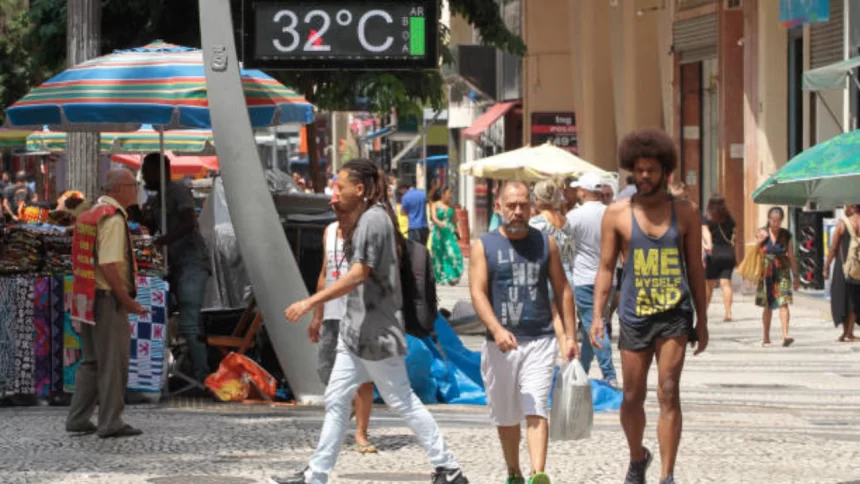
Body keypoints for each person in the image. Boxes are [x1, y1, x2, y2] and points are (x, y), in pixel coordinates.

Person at [277, 159, 469, 484]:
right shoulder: (369, 218)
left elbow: (358, 274)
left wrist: (310, 302)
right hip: (356, 332)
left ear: (361, 189)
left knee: (402, 401)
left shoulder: (373, 221)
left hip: (376, 334)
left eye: (340, 187)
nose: (334, 194)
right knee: (337, 400)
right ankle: (316, 474)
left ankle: (448, 468)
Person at [591, 128, 708, 484]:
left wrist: (702, 321)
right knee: (631, 396)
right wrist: (598, 316)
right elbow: (607, 268)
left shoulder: (685, 212)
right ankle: (637, 456)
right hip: (634, 314)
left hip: (674, 314)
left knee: (669, 390)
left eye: (652, 170)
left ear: (665, 172)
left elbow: (695, 269)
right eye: (639, 169)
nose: (644, 176)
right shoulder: (617, 214)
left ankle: (667, 474)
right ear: (631, 170)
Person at [470, 181, 579, 484]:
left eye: (523, 205)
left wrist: (569, 336)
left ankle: (537, 474)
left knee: (536, 406)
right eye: (511, 205)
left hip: (540, 339)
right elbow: (478, 293)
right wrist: (496, 329)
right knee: (505, 416)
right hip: (500, 345)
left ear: (531, 207)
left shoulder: (546, 243)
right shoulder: (485, 245)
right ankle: (514, 472)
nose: (518, 212)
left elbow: (563, 290)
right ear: (499, 208)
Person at [66, 168, 147, 438]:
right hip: (106, 298)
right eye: (134, 185)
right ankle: (111, 421)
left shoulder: (91, 212)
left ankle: (78, 418)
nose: (137, 189)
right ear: (119, 189)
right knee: (113, 362)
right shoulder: (113, 219)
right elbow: (109, 264)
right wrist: (127, 300)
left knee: (92, 361)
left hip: (87, 296)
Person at [308, 198, 377, 455]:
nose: (337, 211)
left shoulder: (364, 233)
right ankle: (346, 411)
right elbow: (325, 275)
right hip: (332, 313)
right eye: (334, 208)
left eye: (342, 207)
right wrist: (318, 315)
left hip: (359, 314)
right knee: (325, 368)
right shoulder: (328, 232)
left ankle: (361, 432)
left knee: (363, 377)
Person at [141, 153, 211, 383]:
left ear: (159, 171)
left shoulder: (178, 191)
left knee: (190, 322)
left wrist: (164, 241)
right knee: (165, 316)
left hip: (191, 262)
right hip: (173, 264)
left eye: (146, 170)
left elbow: (189, 221)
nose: (142, 175)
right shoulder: (157, 198)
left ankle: (203, 377)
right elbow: (154, 227)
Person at [567, 173, 618, 387]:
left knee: (595, 324)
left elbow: (566, 246)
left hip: (584, 278)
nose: (577, 192)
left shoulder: (574, 216)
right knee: (594, 323)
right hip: (610, 278)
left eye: (579, 188)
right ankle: (583, 370)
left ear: (585, 191)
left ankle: (610, 374)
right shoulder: (612, 214)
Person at [754, 207, 799, 347]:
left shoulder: (786, 235)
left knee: (783, 302)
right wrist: (759, 241)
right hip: (766, 272)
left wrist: (796, 276)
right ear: (768, 219)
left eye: (778, 220)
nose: (776, 223)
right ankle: (766, 337)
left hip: (782, 271)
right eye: (773, 220)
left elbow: (791, 255)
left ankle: (785, 335)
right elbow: (753, 253)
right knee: (767, 305)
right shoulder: (762, 232)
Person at [824, 204, 860, 342]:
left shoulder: (842, 224)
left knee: (843, 297)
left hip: (843, 265)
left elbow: (833, 248)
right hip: (858, 266)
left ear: (851, 208)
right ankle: (848, 333)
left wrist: (826, 267)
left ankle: (847, 333)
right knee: (855, 299)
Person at [702, 194, 737, 322]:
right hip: (728, 253)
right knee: (726, 284)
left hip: (714, 254)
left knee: (709, 285)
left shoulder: (707, 218)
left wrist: (708, 246)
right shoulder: (729, 219)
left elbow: (706, 234)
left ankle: (703, 312)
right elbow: (734, 236)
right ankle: (728, 313)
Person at [430, 186, 464, 285]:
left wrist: (459, 231)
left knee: (453, 253)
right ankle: (442, 277)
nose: (450, 196)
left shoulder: (451, 207)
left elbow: (455, 221)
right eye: (449, 193)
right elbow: (433, 217)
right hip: (439, 234)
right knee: (439, 255)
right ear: (442, 194)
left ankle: (453, 275)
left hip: (449, 234)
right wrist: (438, 222)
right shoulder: (435, 205)